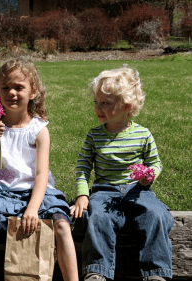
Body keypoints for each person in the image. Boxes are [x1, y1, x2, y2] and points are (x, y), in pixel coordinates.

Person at [0, 59, 79, 281]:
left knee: (62, 227)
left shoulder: (38, 129)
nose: (11, 93)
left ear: (33, 92)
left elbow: (41, 175)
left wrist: (32, 208)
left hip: (36, 191)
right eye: (6, 87)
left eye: (19, 87)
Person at [70, 65, 174, 281]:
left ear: (127, 106)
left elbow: (155, 162)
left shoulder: (143, 135)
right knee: (97, 217)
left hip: (138, 190)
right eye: (96, 103)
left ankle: (156, 272)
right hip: (104, 190)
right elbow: (83, 167)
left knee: (156, 215)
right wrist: (82, 195)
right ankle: (98, 271)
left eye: (105, 103)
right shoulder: (94, 136)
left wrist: (149, 175)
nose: (98, 108)